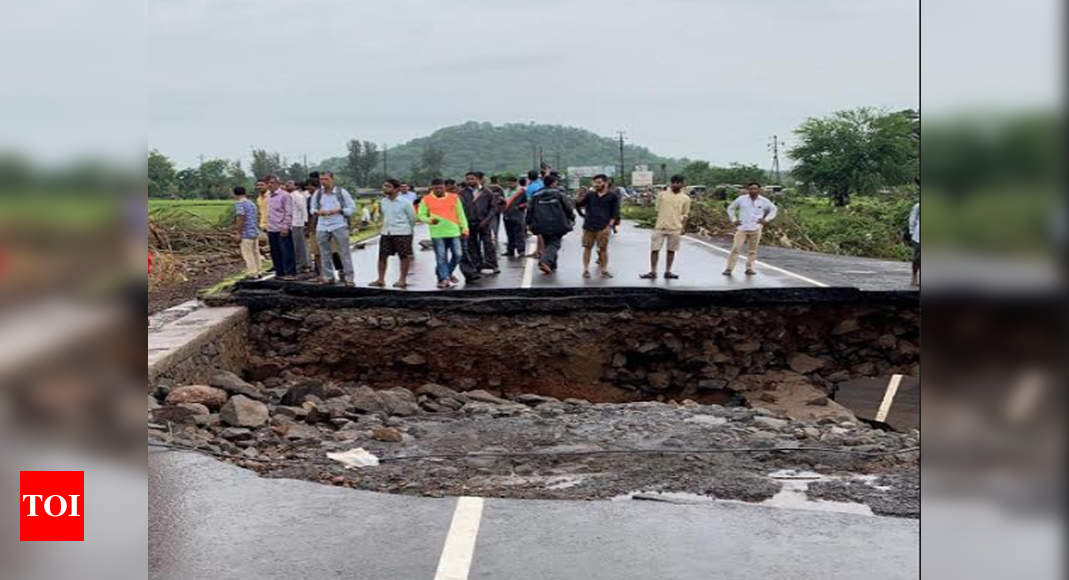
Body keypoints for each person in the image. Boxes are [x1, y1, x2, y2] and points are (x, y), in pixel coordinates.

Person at [418, 178, 469, 289]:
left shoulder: (454, 197)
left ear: (444, 187)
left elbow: (460, 214)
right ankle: (444, 279)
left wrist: (465, 228)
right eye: (436, 188)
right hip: (437, 233)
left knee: (458, 254)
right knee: (441, 257)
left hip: (454, 231)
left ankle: (447, 273)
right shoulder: (426, 199)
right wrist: (430, 220)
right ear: (432, 188)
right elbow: (421, 215)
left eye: (441, 187)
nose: (439, 190)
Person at [310, 171, 357, 286]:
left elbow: (351, 208)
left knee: (344, 252)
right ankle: (329, 276)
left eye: (326, 179)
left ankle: (349, 277)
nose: (323, 182)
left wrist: (339, 210)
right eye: (321, 179)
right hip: (322, 225)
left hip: (339, 224)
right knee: (324, 252)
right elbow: (312, 208)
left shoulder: (341, 193)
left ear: (332, 180)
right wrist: (317, 212)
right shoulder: (318, 194)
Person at [723, 181, 778, 276]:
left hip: (756, 228)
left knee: (752, 250)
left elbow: (774, 209)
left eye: (755, 189)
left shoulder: (764, 201)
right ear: (748, 190)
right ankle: (729, 269)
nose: (753, 191)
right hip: (742, 228)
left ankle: (749, 268)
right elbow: (730, 208)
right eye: (751, 189)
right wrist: (734, 219)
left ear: (759, 190)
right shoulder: (741, 199)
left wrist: (766, 219)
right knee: (736, 248)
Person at [641, 175, 690, 280]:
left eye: (679, 182)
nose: (676, 184)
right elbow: (657, 209)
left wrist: (683, 228)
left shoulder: (686, 198)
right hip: (660, 227)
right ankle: (653, 271)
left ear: (682, 184)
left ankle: (668, 271)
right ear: (671, 183)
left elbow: (685, 214)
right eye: (674, 182)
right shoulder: (662, 195)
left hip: (676, 228)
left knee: (671, 250)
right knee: (655, 249)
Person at [370, 179, 417, 289]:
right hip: (386, 232)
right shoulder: (383, 201)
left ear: (396, 189)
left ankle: (402, 279)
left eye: (388, 186)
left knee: (403, 256)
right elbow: (384, 215)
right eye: (384, 186)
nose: (385, 188)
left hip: (402, 232)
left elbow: (412, 219)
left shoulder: (405, 202)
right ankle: (380, 279)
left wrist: (407, 231)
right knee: (382, 256)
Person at [526, 173, 575, 275]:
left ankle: (552, 265)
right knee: (555, 243)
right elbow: (568, 208)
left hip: (541, 224)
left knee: (548, 242)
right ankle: (545, 261)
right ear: (553, 183)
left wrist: (528, 222)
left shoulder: (536, 195)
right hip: (558, 223)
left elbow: (530, 210)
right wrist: (572, 218)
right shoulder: (559, 194)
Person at [575, 174, 621, 278]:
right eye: (595, 183)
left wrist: (609, 226)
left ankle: (604, 270)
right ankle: (586, 270)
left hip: (603, 227)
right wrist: (579, 197)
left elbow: (615, 213)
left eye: (599, 183)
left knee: (603, 249)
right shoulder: (590, 195)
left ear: (605, 183)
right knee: (587, 248)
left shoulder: (612, 196)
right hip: (589, 226)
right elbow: (578, 204)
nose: (597, 185)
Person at [464, 171, 501, 274]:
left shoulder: (487, 192)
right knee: (472, 245)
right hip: (469, 222)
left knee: (488, 243)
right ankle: (477, 265)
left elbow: (493, 208)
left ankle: (493, 265)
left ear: (478, 179)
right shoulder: (463, 193)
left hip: (484, 222)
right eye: (467, 179)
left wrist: (487, 220)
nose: (469, 181)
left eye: (472, 179)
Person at [263, 175, 296, 279]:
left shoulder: (284, 195)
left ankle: (290, 273)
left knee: (286, 251)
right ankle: (280, 272)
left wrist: (285, 226)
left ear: (278, 183)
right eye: (268, 183)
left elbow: (288, 212)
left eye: (272, 182)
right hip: (271, 228)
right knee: (275, 252)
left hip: (282, 227)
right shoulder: (268, 195)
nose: (270, 185)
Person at [232, 186, 261, 278]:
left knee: (247, 254)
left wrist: (238, 232)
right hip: (254, 231)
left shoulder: (240, 204)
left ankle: (252, 273)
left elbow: (241, 217)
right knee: (256, 252)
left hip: (246, 232)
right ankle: (259, 271)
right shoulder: (251, 203)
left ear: (234, 194)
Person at [501, 175, 527, 258]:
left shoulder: (522, 191)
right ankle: (510, 250)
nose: (510, 185)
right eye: (508, 183)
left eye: (511, 183)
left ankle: (521, 250)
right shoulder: (505, 191)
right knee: (509, 233)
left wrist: (520, 207)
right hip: (507, 214)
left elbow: (528, 202)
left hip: (518, 215)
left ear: (516, 183)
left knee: (519, 233)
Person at [288, 180, 311, 274]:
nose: (287, 185)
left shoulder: (297, 196)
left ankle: (305, 264)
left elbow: (303, 209)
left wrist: (305, 222)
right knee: (296, 245)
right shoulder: (290, 195)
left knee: (300, 245)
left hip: (298, 223)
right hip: (293, 223)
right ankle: (301, 264)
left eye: (289, 184)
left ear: (296, 186)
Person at [908, 201, 920, 286]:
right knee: (917, 258)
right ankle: (914, 277)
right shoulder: (918, 206)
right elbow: (912, 219)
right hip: (918, 237)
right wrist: (911, 231)